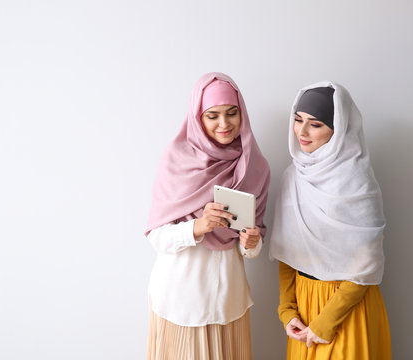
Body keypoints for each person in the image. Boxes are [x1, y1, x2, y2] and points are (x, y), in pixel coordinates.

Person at [145, 72, 270, 359]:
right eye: (212, 116)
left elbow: (251, 243)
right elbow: (156, 236)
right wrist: (197, 227)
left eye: (231, 113)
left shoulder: (255, 166)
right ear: (198, 118)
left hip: (228, 302)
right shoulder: (177, 161)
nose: (224, 124)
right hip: (180, 303)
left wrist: (252, 243)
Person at [269, 82, 392, 359]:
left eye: (315, 124)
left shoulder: (357, 183)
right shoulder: (293, 177)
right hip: (303, 310)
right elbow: (288, 253)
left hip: (346, 311)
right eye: (298, 120)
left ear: (338, 129)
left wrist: (326, 323)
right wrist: (287, 311)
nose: (301, 132)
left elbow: (366, 265)